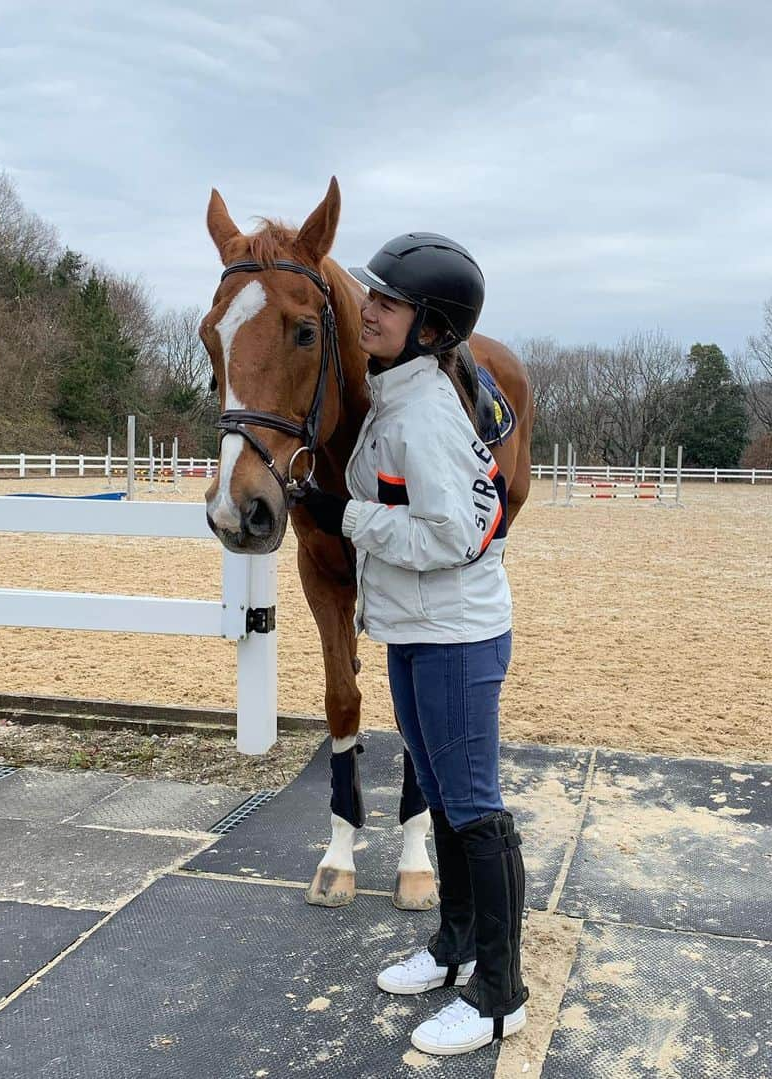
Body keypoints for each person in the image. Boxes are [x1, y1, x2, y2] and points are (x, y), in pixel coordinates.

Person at [293, 233, 528, 1056]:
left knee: (474, 808)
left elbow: (459, 532)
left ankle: (500, 994)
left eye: (388, 303)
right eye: (370, 294)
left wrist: (346, 518)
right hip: (414, 628)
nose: (369, 308)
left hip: (455, 635)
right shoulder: (399, 392)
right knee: (440, 787)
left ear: (430, 329)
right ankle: (455, 944)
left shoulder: (426, 412)